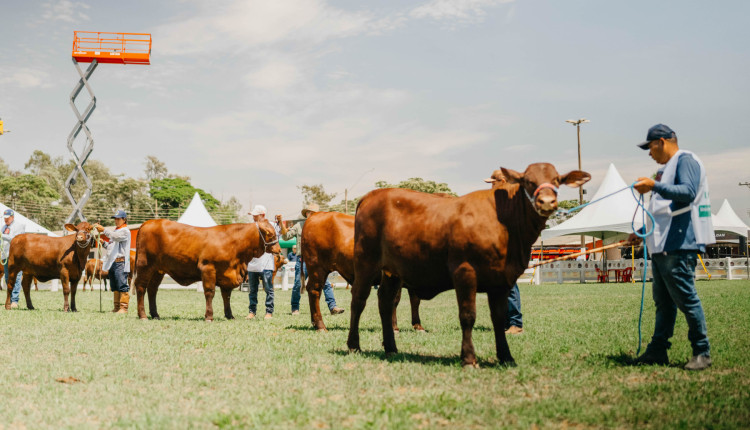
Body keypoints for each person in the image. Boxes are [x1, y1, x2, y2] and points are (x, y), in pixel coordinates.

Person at [628, 124, 715, 371]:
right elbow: (662, 209)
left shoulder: (685, 160)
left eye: (650, 146)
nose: (648, 152)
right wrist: (640, 234)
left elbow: (687, 192)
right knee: (664, 302)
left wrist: (653, 186)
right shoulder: (665, 170)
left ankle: (702, 352)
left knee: (686, 299)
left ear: (662, 141)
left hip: (680, 243)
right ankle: (657, 350)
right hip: (662, 245)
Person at [280, 204, 344, 316]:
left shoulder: (322, 226)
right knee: (298, 284)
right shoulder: (299, 225)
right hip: (303, 259)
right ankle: (295, 308)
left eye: (314, 213)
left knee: (326, 283)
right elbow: (285, 237)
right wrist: (281, 223)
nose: (312, 214)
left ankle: (333, 307)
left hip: (318, 259)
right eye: (310, 212)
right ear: (306, 214)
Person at [94, 210, 131, 313]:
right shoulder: (115, 230)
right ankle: (116, 307)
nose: (116, 221)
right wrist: (104, 243)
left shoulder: (125, 231)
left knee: (122, 284)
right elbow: (112, 246)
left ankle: (124, 308)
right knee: (114, 285)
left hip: (121, 262)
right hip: (113, 262)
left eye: (118, 219)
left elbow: (116, 238)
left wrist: (104, 230)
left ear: (124, 219)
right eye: (115, 219)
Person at [246, 205, 278, 320]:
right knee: (252, 290)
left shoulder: (272, 225)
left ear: (263, 215)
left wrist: (280, 221)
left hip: (266, 264)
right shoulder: (251, 227)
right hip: (252, 264)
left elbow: (280, 237)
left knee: (268, 289)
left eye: (255, 215)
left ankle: (269, 312)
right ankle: (252, 311)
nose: (253, 218)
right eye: (253, 216)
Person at [2, 209, 25, 308]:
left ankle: (15, 301)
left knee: (16, 277)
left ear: (12, 217)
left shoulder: (19, 226)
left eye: (7, 218)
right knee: (7, 278)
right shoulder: (3, 227)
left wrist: (2, 235)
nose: (6, 220)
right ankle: (9, 299)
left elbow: (15, 240)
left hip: (16, 256)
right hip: (5, 255)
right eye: (4, 219)